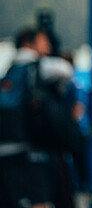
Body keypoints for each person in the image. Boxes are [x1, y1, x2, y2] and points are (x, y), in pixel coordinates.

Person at [0, 27, 77, 208]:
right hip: (30, 149)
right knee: (39, 201)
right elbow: (66, 69)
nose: (48, 45)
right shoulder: (35, 67)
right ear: (29, 43)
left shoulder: (9, 72)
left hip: (5, 148)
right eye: (43, 40)